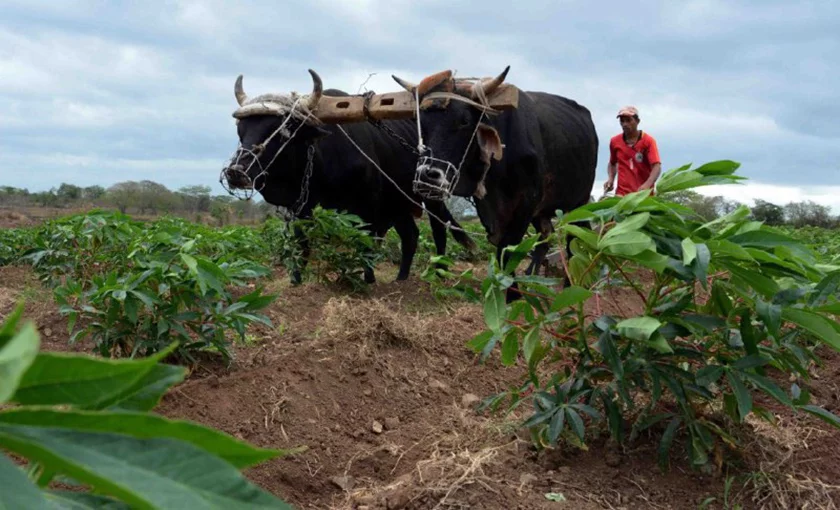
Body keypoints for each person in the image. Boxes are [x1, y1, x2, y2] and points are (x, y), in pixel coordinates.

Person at [603, 106, 661, 197]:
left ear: (637, 121)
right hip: (621, 194)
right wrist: (610, 179)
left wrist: (647, 184)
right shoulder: (615, 141)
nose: (625, 124)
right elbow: (612, 163)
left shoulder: (648, 141)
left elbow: (656, 166)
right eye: (622, 121)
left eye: (628, 120)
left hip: (642, 195)